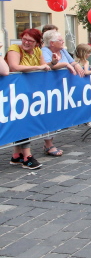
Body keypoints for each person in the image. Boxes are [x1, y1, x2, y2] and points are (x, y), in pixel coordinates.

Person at [6, 29, 51, 169]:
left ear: (37, 43)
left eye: (30, 41)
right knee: (22, 122)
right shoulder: (15, 48)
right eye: (24, 39)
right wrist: (37, 67)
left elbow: (45, 66)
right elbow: (14, 67)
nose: (26, 42)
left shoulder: (37, 51)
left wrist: (50, 64)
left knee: (22, 121)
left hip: (28, 92)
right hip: (13, 92)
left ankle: (16, 155)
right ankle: (27, 157)